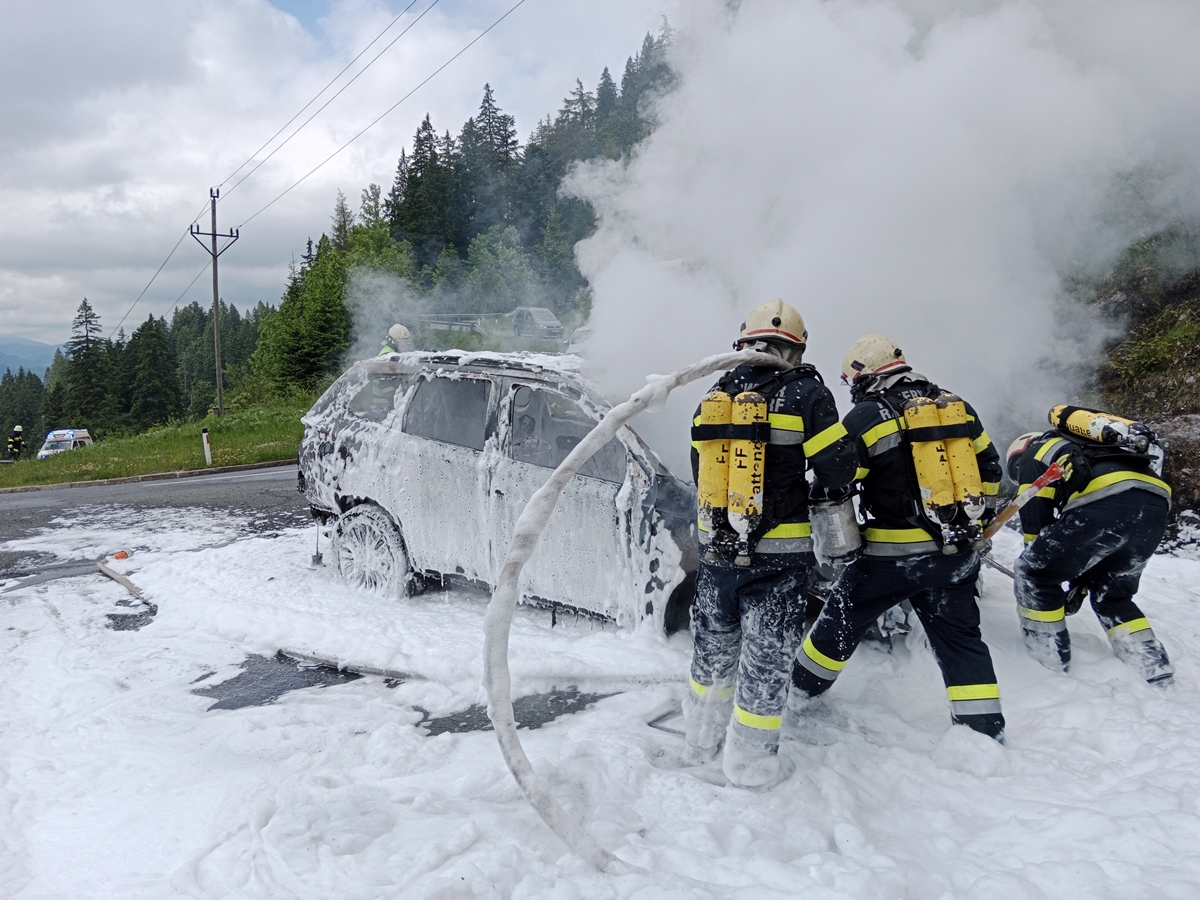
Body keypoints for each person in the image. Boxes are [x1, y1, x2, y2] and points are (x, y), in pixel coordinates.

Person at [789, 334, 1007, 742]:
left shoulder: (867, 416)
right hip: (955, 553)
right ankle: (984, 732)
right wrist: (973, 520)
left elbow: (839, 479)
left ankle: (799, 694)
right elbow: (990, 470)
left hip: (890, 558)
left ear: (863, 375)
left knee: (838, 624)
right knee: (961, 640)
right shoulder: (956, 406)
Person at [683, 299, 857, 787]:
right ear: (795, 350)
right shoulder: (807, 394)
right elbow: (838, 467)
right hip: (778, 560)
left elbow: (699, 469)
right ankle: (751, 769)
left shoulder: (718, 392)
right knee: (765, 663)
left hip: (717, 553)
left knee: (712, 652)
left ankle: (699, 743)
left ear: (743, 344)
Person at [1006, 412, 1173, 683]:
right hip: (1154, 509)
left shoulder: (1035, 452)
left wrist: (1039, 560)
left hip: (1105, 502)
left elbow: (1035, 512)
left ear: (1018, 453)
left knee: (1033, 573)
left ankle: (1048, 662)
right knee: (1112, 594)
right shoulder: (1093, 449)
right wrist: (1079, 583)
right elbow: (1088, 551)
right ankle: (1155, 669)